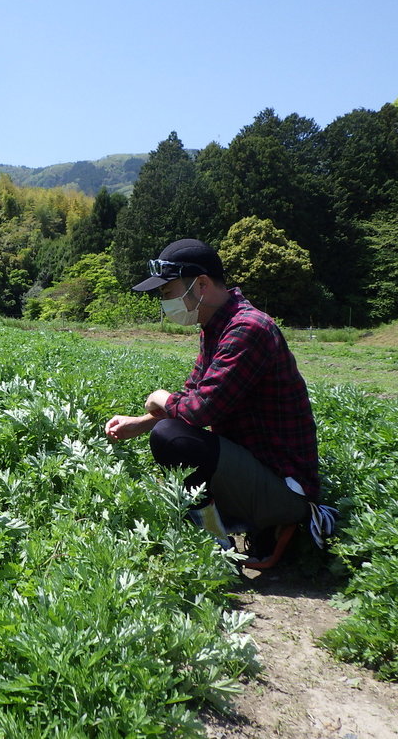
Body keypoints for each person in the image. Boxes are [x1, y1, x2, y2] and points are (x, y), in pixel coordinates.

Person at [104, 238, 332, 566]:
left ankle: (219, 541)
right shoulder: (216, 326)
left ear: (201, 285)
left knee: (173, 438)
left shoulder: (247, 329)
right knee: (170, 433)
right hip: (257, 468)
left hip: (285, 486)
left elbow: (200, 409)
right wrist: (140, 423)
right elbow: (195, 394)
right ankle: (239, 525)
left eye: (168, 293)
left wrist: (160, 398)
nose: (165, 303)